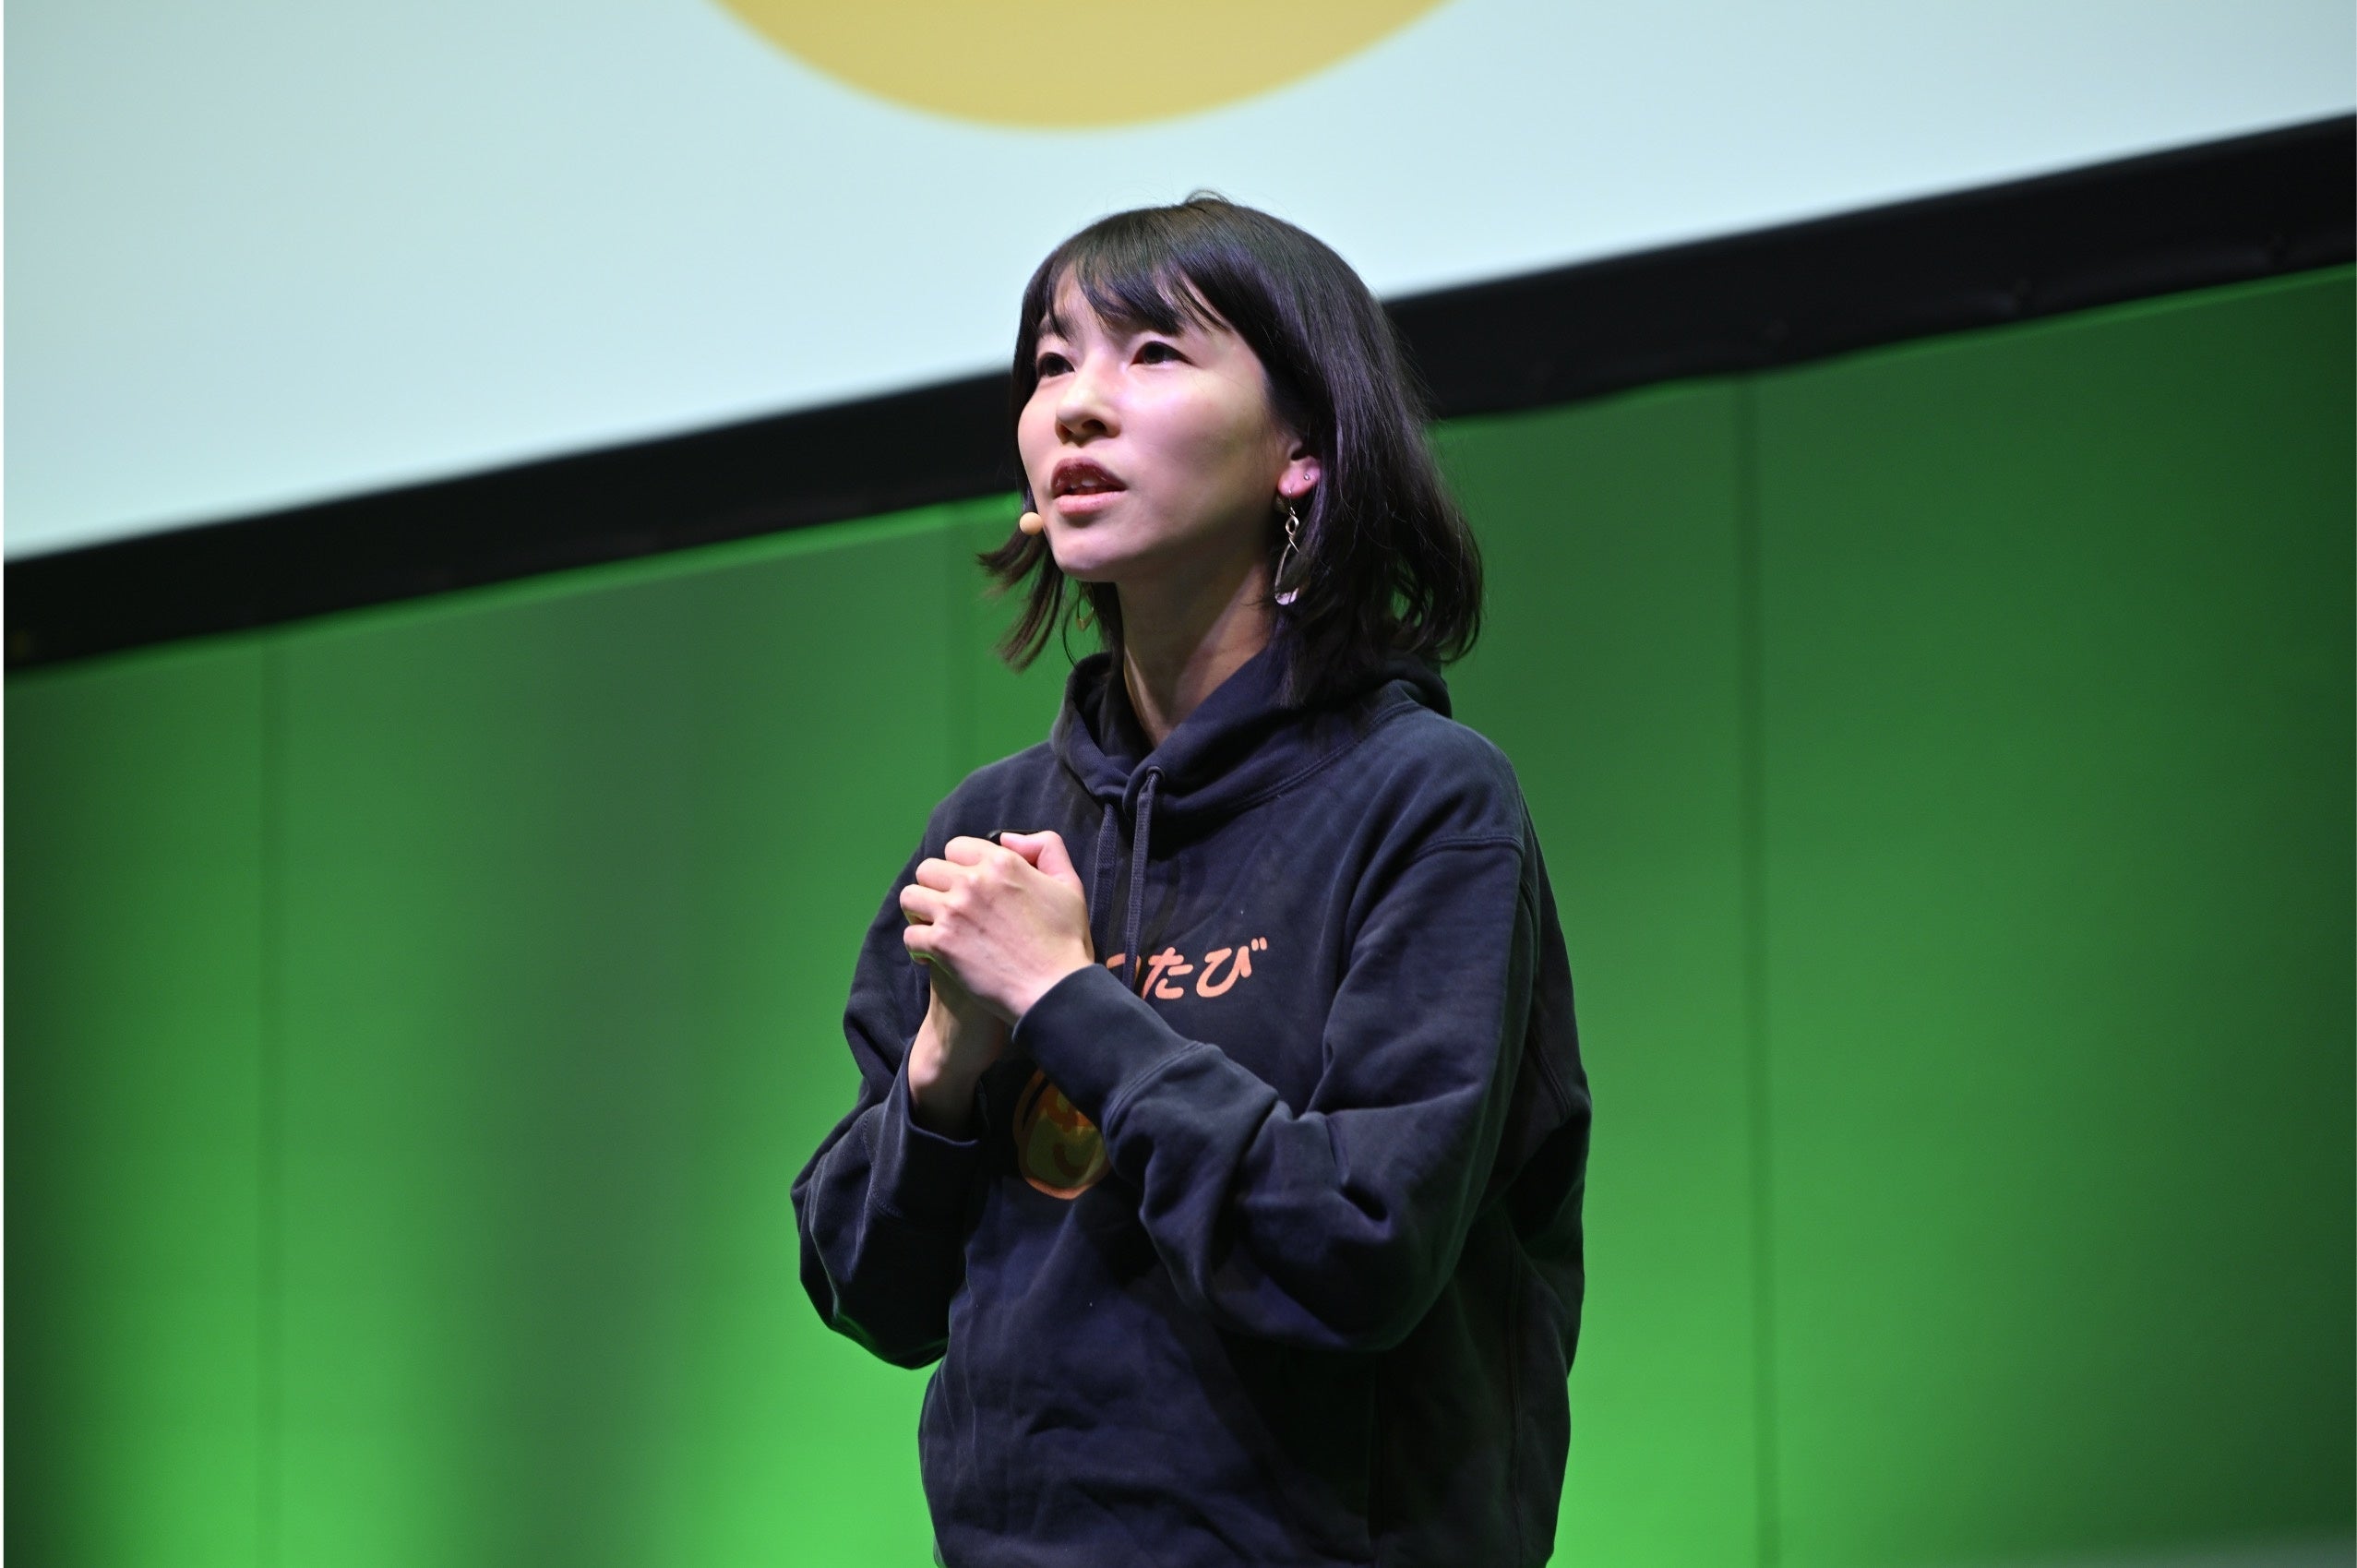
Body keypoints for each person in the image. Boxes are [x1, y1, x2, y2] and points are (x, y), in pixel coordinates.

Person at [792, 195, 1591, 1568]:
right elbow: (870, 1292)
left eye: (1153, 353)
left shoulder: (1425, 798)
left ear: (1302, 451)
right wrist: (942, 1071)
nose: (1076, 408)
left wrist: (1061, 1000)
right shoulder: (992, 827)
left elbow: (1358, 1251)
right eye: (1052, 364)